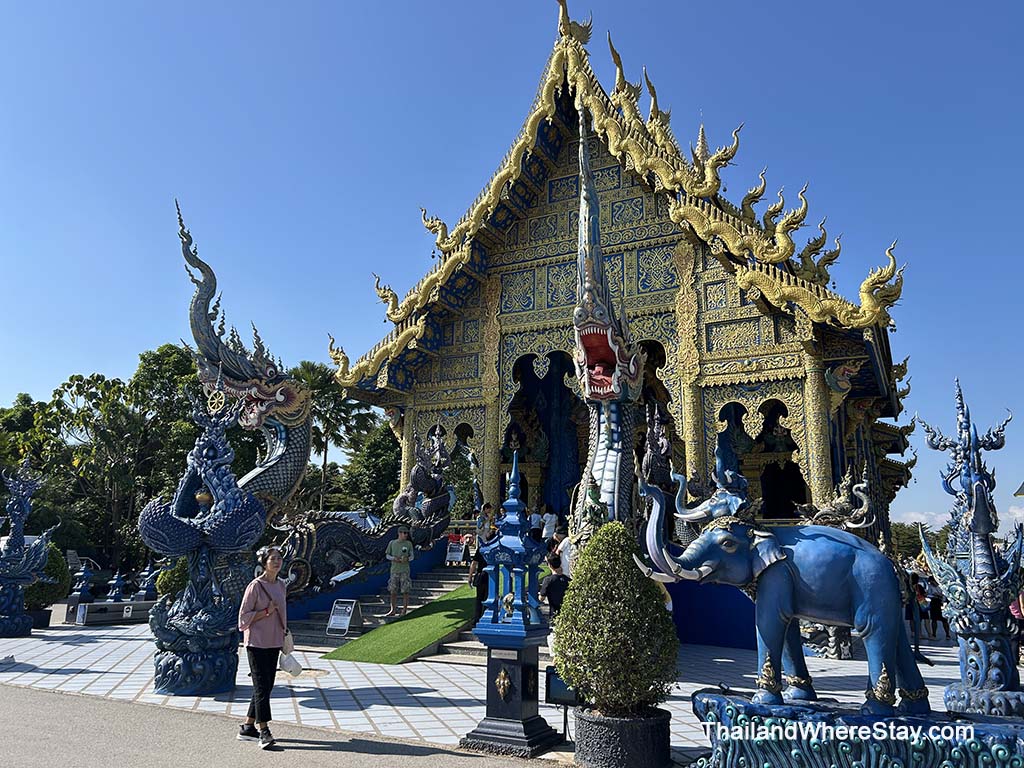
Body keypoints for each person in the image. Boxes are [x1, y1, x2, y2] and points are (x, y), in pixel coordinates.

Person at [237, 546, 288, 749]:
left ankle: (248, 727)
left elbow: (283, 614)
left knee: (266, 686)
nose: (277, 562)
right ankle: (264, 731)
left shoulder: (282, 585)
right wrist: (266, 611)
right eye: (273, 558)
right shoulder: (255, 586)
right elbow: (243, 619)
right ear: (264, 562)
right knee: (260, 686)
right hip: (256, 642)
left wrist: (285, 633)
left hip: (274, 641)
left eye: (279, 558)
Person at [385, 525, 415, 617]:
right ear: (399, 533)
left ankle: (404, 610)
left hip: (405, 570)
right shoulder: (392, 543)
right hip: (394, 570)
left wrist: (407, 559)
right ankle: (393, 609)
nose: (406, 535)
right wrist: (394, 558)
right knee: (393, 591)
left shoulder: (408, 544)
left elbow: (412, 556)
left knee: (405, 590)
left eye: (407, 533)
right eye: (404, 533)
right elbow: (387, 555)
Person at [539, 554, 570, 621]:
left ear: (550, 565)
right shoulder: (568, 580)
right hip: (568, 614)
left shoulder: (548, 580)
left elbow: (541, 598)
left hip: (554, 614)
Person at [469, 546, 489, 623]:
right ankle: (485, 616)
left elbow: (474, 563)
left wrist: (470, 576)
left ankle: (477, 618)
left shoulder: (481, 549)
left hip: (481, 574)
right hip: (491, 576)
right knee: (487, 596)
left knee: (479, 598)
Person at [927, 576, 950, 640]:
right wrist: (934, 595)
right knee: (934, 620)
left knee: (944, 620)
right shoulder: (930, 586)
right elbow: (928, 594)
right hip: (934, 603)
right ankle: (934, 634)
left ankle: (947, 634)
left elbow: (945, 594)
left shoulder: (941, 586)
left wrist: (941, 597)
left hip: (941, 603)